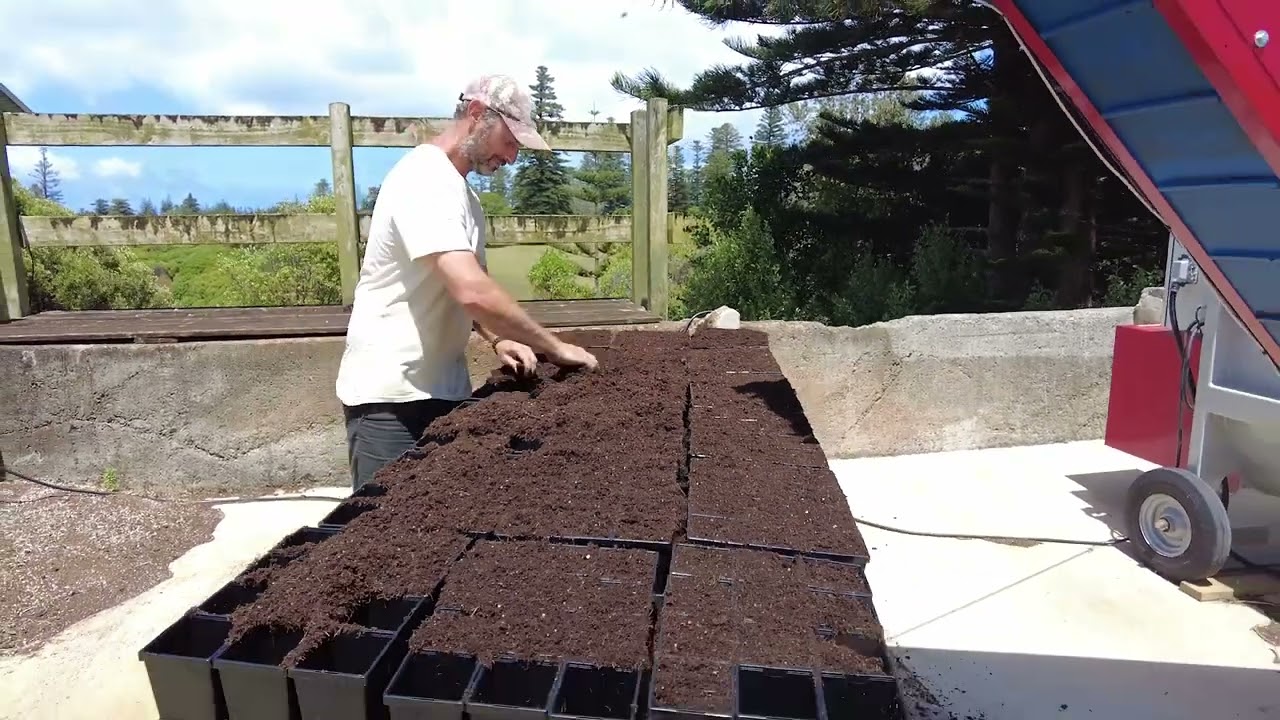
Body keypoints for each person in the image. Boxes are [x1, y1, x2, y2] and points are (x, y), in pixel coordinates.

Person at [336, 74, 599, 489]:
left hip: (439, 388)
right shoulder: (424, 179)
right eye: (510, 142)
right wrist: (555, 348)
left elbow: (467, 282)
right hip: (391, 398)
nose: (512, 157)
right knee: (384, 525)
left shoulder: (462, 194)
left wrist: (499, 338)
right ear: (477, 115)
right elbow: (471, 291)